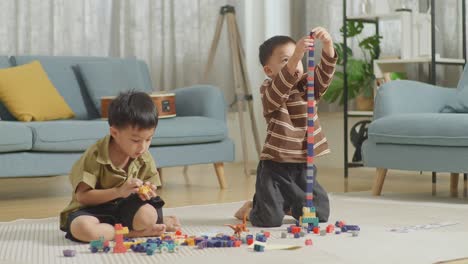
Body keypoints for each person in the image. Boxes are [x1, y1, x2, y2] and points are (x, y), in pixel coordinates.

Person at [235, 27, 337, 227]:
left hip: (303, 165)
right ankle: (254, 206)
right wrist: (297, 53)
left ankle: (287, 204)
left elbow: (324, 76)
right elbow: (282, 85)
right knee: (269, 220)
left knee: (320, 213)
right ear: (269, 71)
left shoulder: (307, 87)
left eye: (297, 59)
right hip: (275, 166)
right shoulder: (269, 90)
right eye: (285, 60)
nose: (295, 64)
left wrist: (328, 46)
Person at [60, 90, 180, 242]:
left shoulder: (144, 157)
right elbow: (83, 197)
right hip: (92, 211)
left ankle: (130, 229)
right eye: (135, 140)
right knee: (83, 228)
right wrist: (119, 191)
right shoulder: (95, 156)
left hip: (127, 209)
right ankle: (132, 234)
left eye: (148, 139)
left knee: (149, 215)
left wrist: (147, 191)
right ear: (115, 133)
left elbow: (152, 194)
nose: (142, 147)